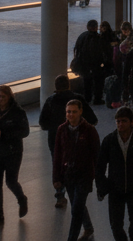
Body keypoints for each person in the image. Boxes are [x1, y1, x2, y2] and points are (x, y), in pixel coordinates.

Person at [96, 107, 133, 241]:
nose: (120, 124)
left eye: (123, 121)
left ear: (131, 122)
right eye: (117, 121)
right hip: (115, 188)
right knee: (115, 224)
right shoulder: (109, 141)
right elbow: (100, 166)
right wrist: (103, 185)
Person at [40, 75, 97, 209]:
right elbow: (93, 119)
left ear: (56, 86)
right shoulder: (78, 100)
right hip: (78, 140)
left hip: (54, 139)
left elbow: (43, 123)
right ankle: (77, 191)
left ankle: (60, 194)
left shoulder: (50, 101)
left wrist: (54, 127)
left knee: (58, 163)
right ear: (69, 85)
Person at [0, 84, 30, 230]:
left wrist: (4, 135)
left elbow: (25, 131)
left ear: (9, 97)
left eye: (2, 96)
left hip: (13, 153)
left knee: (11, 181)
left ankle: (21, 198)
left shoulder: (18, 112)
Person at [53, 100, 100, 241]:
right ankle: (88, 227)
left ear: (80, 111)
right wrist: (56, 178)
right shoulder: (61, 130)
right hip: (68, 175)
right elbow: (57, 155)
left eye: (74, 111)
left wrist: (99, 178)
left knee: (76, 209)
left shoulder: (90, 130)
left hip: (84, 176)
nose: (71, 114)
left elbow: (97, 155)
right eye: (68, 112)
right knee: (77, 205)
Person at [72, 20, 109, 106]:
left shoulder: (82, 36)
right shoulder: (99, 38)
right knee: (98, 82)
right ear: (96, 27)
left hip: (84, 64)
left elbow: (77, 49)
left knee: (86, 82)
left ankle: (87, 98)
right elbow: (103, 51)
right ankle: (97, 99)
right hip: (97, 65)